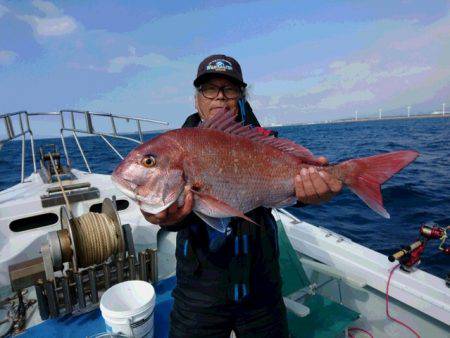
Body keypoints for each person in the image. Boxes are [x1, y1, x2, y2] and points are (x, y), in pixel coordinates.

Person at [141, 54, 342, 338]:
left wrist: (314, 195)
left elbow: (292, 194)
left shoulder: (265, 142)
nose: (220, 98)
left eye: (230, 89)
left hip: (261, 290)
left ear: (242, 96)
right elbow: (170, 211)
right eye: (210, 89)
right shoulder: (175, 147)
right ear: (197, 98)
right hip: (199, 293)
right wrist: (158, 216)